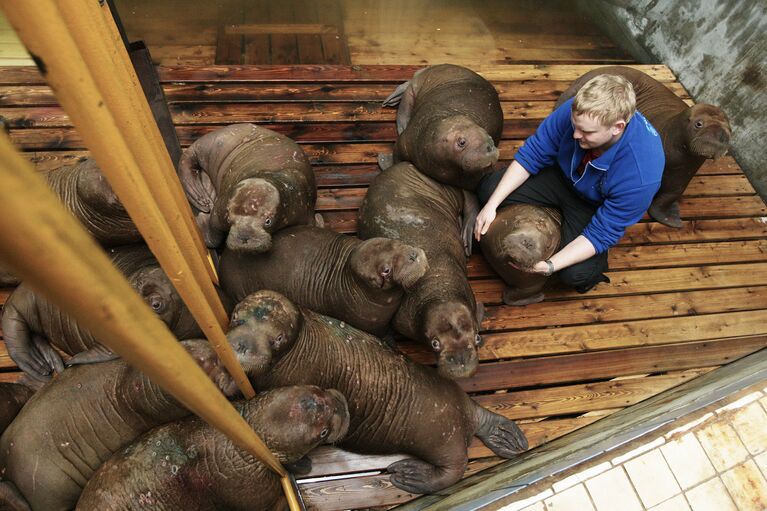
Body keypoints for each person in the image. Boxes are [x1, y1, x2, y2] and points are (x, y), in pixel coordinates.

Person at [474, 74, 664, 294]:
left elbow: (602, 232)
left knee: (574, 275)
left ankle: (593, 261)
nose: (575, 134)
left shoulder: (642, 172)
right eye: (575, 125)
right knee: (488, 190)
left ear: (617, 127)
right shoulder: (575, 113)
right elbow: (533, 154)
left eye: (587, 132)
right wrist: (491, 206)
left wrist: (550, 265)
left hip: (593, 206)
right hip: (562, 176)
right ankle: (552, 216)